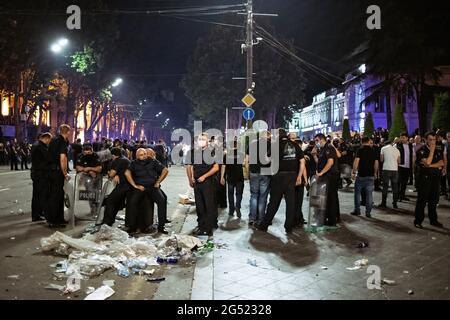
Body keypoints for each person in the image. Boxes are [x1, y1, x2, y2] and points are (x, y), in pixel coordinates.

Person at [257, 129, 305, 233]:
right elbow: (302, 161)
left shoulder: (275, 145)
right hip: (292, 176)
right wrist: (299, 177)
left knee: (274, 202)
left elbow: (266, 160)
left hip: (278, 176)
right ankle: (289, 227)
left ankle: (264, 225)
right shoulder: (295, 145)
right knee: (290, 203)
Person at [125, 148, 169, 234]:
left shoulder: (153, 161)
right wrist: (135, 185)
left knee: (162, 201)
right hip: (140, 187)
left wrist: (158, 182)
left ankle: (161, 227)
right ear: (137, 156)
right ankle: (132, 227)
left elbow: (165, 170)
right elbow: (127, 173)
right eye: (141, 155)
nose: (144, 156)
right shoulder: (134, 163)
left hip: (152, 186)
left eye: (145, 154)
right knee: (132, 202)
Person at [186, 133, 219, 236]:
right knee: (199, 206)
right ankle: (201, 226)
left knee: (208, 205)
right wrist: (191, 178)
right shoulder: (194, 152)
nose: (201, 141)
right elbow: (191, 166)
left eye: (203, 139)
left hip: (208, 182)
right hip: (197, 183)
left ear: (208, 140)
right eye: (200, 139)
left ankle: (209, 228)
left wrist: (204, 176)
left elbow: (216, 167)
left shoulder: (212, 152)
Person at [414, 132, 445, 229]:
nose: (433, 142)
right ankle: (418, 221)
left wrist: (430, 166)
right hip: (424, 179)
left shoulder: (438, 150)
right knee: (422, 201)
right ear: (426, 140)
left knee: (433, 200)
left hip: (435, 179)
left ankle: (433, 220)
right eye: (430, 139)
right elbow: (427, 162)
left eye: (434, 139)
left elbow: (441, 163)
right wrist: (431, 152)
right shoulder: (421, 150)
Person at [47, 124, 71, 228]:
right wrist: (65, 173)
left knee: (54, 195)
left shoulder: (54, 139)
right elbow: (63, 158)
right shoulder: (62, 141)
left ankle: (57, 218)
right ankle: (55, 220)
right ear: (68, 132)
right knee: (57, 196)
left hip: (51, 171)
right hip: (57, 172)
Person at [245, 131, 271, 227]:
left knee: (254, 196)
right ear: (267, 136)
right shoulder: (270, 145)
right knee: (263, 197)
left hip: (254, 172)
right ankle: (261, 219)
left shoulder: (252, 144)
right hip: (265, 173)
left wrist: (248, 173)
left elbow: (247, 160)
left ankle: (252, 218)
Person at [312, 133, 339, 226]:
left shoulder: (329, 148)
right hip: (325, 176)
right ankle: (328, 218)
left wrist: (321, 173)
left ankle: (332, 221)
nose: (315, 143)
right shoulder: (323, 149)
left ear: (321, 140)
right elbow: (321, 162)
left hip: (330, 176)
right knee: (327, 198)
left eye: (316, 140)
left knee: (331, 198)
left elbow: (330, 162)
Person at [102, 147, 131, 226]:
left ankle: (107, 222)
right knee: (117, 203)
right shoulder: (126, 159)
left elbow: (111, 174)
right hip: (128, 186)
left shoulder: (117, 161)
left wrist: (110, 173)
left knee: (110, 201)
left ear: (113, 155)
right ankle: (111, 220)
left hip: (122, 185)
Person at [75, 143, 103, 215]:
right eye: (85, 152)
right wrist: (88, 170)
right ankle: (93, 210)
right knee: (90, 193)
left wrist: (89, 168)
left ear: (92, 150)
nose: (87, 153)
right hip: (86, 177)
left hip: (97, 177)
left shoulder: (96, 156)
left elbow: (99, 168)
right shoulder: (80, 156)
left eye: (89, 152)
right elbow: (78, 167)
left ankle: (97, 210)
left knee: (96, 193)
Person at [30, 133, 52, 222]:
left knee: (37, 195)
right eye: (49, 140)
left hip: (37, 172)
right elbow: (46, 159)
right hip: (40, 174)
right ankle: (37, 215)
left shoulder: (36, 145)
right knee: (40, 195)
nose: (49, 143)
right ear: (46, 138)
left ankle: (38, 213)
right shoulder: (40, 146)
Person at [220, 140, 244, 218]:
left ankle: (231, 210)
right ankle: (238, 206)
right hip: (239, 177)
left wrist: (222, 177)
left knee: (230, 194)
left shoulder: (226, 155)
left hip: (230, 178)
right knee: (239, 194)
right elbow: (244, 164)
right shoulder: (241, 154)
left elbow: (223, 166)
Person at [378, 140, 400, 209]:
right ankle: (395, 203)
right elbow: (399, 161)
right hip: (395, 170)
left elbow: (381, 160)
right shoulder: (397, 150)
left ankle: (383, 203)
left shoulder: (383, 148)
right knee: (395, 187)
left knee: (385, 186)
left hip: (386, 169)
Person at [396, 133, 413, 201]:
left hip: (408, 166)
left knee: (405, 182)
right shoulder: (397, 145)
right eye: (401, 137)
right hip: (400, 166)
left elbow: (413, 156)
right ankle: (397, 196)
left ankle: (402, 195)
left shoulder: (410, 146)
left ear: (407, 138)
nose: (402, 139)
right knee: (398, 181)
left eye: (403, 137)